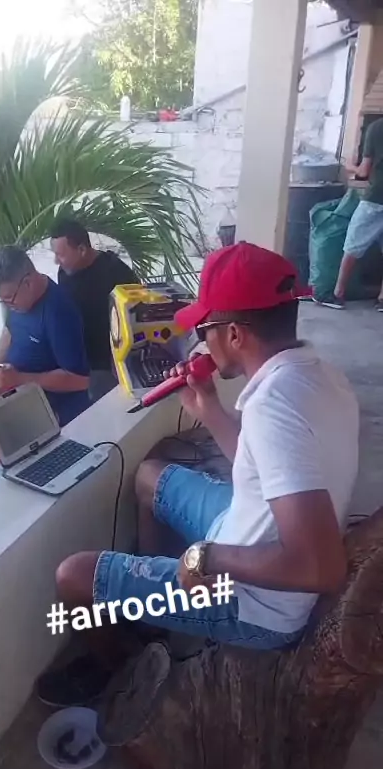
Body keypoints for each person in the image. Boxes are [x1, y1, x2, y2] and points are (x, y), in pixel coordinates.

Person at [38, 242, 359, 708]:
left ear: (234, 334)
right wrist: (207, 408)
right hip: (247, 527)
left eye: (204, 329)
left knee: (74, 576)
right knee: (150, 477)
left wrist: (204, 558)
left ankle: (121, 672)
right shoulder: (320, 376)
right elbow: (264, 469)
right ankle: (153, 618)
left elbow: (320, 568)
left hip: (257, 604)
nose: (200, 342)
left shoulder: (273, 408)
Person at [0, 246, 90, 427]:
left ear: (28, 283)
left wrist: (19, 379)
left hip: (54, 414)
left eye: (9, 298)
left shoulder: (59, 313)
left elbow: (80, 380)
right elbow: (9, 330)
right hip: (23, 400)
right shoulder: (19, 299)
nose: (7, 305)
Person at [50, 219, 139, 401]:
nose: (56, 261)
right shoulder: (64, 272)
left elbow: (136, 319)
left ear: (82, 249)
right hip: (80, 362)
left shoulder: (117, 273)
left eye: (60, 255)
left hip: (110, 365)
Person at [324, 117, 383, 309]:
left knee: (352, 245)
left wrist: (349, 166)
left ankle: (337, 295)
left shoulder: (376, 128)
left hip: (376, 198)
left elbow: (363, 171)